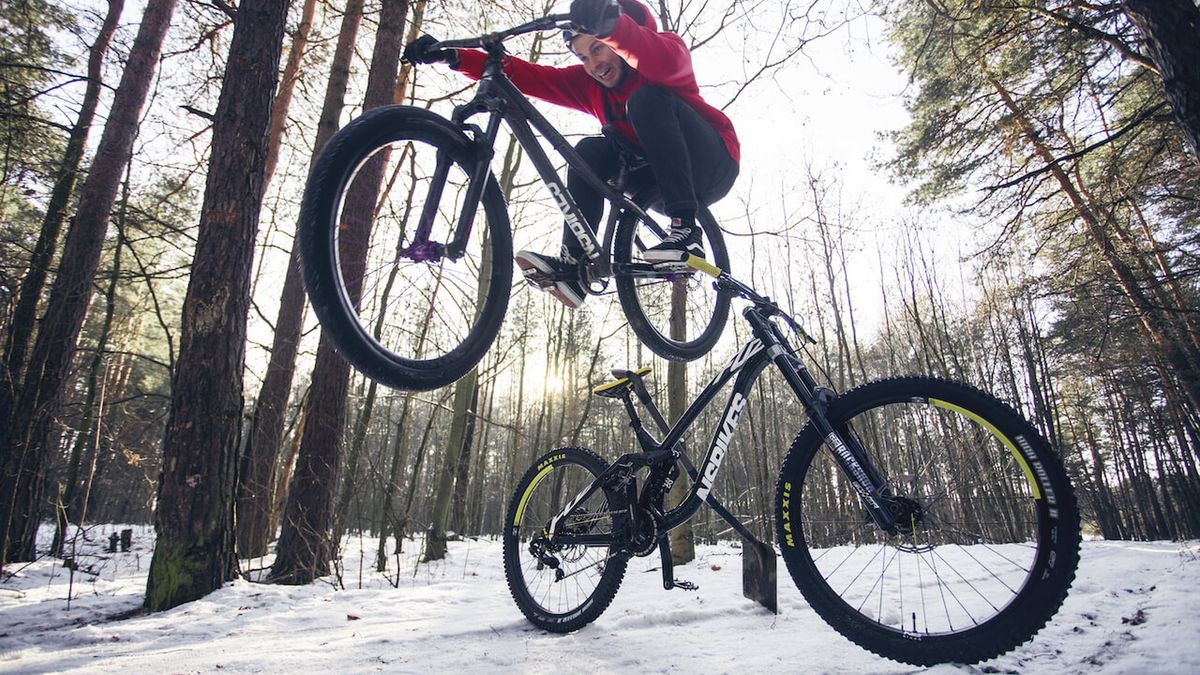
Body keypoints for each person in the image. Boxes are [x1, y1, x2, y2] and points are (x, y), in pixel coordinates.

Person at [403, 0, 739, 308]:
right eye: (583, 57)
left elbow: (652, 52)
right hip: (657, 187)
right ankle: (574, 269)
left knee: (646, 100)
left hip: (712, 165)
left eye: (599, 49)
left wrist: (612, 26)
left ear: (619, 39)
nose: (595, 65)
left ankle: (687, 234)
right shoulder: (589, 86)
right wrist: (454, 56)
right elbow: (527, 75)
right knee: (589, 151)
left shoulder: (662, 55)